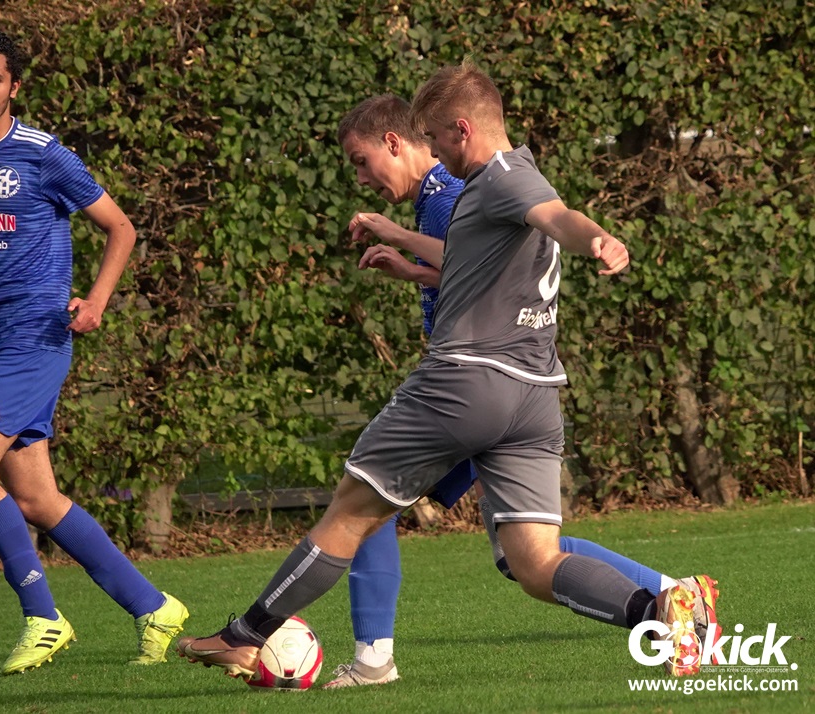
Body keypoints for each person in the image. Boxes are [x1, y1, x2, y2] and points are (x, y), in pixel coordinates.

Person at [176, 62, 720, 681]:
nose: (431, 152)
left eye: (434, 138)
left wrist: (598, 238)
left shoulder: (503, 176)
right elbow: (487, 249)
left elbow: (558, 217)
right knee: (534, 563)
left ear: (463, 129)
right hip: (535, 396)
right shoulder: (510, 175)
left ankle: (247, 637)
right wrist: (410, 258)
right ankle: (663, 610)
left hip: (465, 383)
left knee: (351, 513)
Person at [322, 95, 718, 688]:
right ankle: (676, 598)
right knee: (526, 552)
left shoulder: (449, 193)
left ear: (399, 143)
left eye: (361, 161)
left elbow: (483, 258)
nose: (360, 178)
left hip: (473, 385)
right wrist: (410, 267)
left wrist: (397, 236)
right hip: (495, 382)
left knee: (370, 508)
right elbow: (474, 272)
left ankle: (371, 658)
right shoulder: (452, 191)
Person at [0, 29, 188, 675]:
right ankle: (154, 607)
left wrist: (97, 301)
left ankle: (43, 617)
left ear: (13, 86)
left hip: (35, 337)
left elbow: (120, 227)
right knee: (37, 499)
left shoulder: (44, 156)